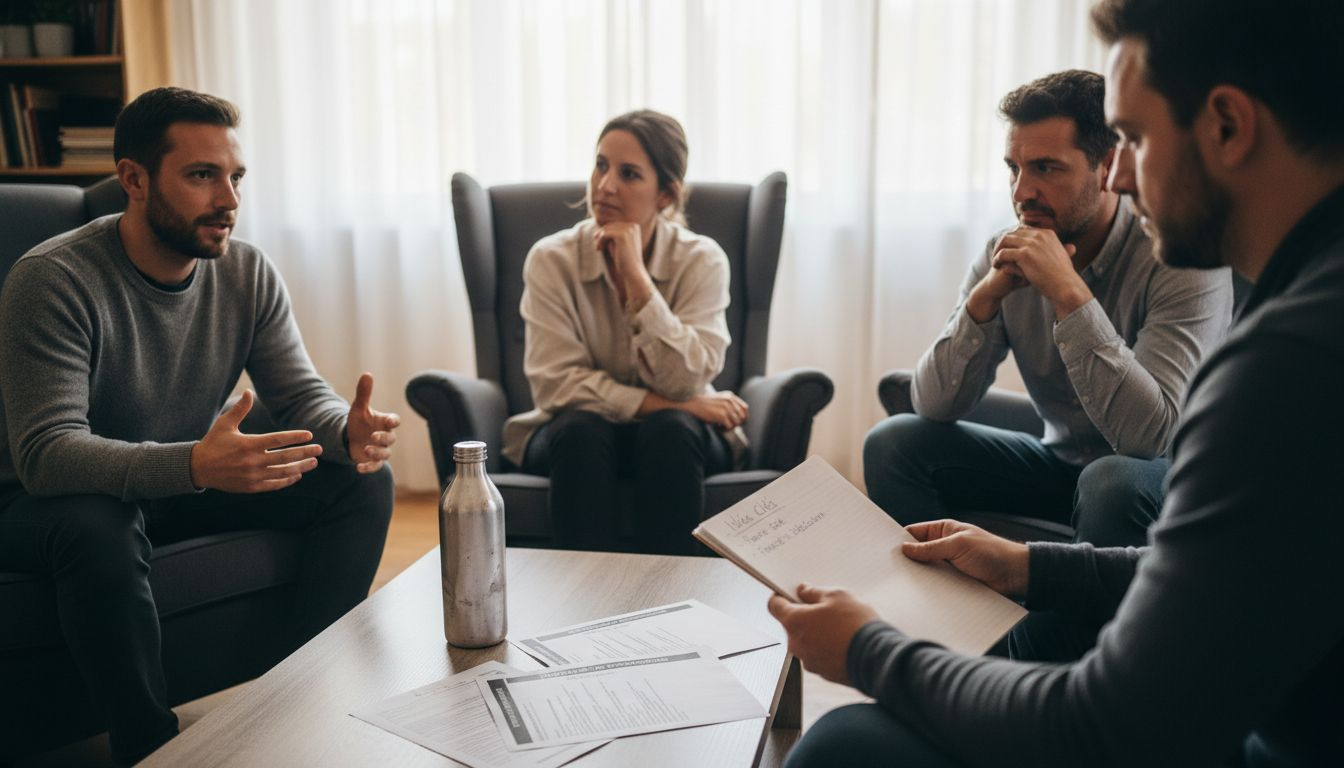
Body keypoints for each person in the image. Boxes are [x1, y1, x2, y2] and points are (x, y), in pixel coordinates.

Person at [771, 0, 1344, 765]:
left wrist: (872, 651)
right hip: (1244, 691)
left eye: (1134, 139)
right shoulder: (1308, 305)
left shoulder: (1284, 358)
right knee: (898, 439)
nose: (1126, 172)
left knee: (841, 743)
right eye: (1015, 167)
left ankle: (1004, 660)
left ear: (1229, 127)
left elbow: (1109, 723)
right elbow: (1241, 570)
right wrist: (1024, 564)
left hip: (1218, 677)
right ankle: (969, 637)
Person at [0, 88, 399, 764]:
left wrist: (345, 433)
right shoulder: (53, 279)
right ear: (134, 179)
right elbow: (47, 455)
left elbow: (301, 397)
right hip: (40, 505)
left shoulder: (246, 272)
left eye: (235, 177)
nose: (229, 200)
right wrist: (191, 466)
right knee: (99, 521)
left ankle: (305, 696)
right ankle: (148, 747)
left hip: (177, 482)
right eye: (201, 176)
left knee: (359, 480)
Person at [863, 70, 1233, 547]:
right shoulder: (1006, 250)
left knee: (1111, 480)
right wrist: (984, 300)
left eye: (1046, 168)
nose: (1020, 193)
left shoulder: (1182, 257)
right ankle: (947, 612)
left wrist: (1069, 293)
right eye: (1013, 169)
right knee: (893, 443)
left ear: (1106, 167)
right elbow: (933, 404)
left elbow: (1150, 439)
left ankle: (1076, 624)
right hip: (1059, 466)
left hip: (1164, 480)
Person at [502, 110, 747, 555]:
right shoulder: (551, 259)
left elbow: (684, 378)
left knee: (671, 428)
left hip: (680, 437)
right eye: (600, 165)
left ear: (666, 196)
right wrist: (682, 402)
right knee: (580, 428)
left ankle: (671, 605)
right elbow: (557, 387)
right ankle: (584, 610)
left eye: (628, 174)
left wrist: (636, 277)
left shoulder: (702, 260)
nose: (604, 186)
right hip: (574, 435)